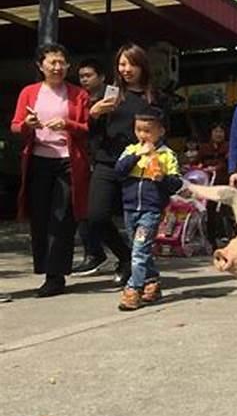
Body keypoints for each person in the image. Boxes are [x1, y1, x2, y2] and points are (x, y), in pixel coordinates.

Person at [10, 43, 90, 297]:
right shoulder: (29, 92)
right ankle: (45, 269)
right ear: (40, 65)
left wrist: (67, 124)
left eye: (61, 63)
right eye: (52, 62)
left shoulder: (78, 94)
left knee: (63, 216)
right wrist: (27, 124)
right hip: (39, 161)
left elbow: (87, 128)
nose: (57, 67)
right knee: (42, 217)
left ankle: (56, 276)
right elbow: (15, 126)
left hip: (68, 162)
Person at [87, 43, 166, 286]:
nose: (126, 69)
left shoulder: (154, 98)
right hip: (107, 162)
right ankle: (125, 257)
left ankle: (141, 270)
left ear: (142, 66)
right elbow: (91, 132)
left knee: (136, 222)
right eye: (122, 64)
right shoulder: (109, 94)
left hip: (138, 168)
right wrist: (94, 114)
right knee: (95, 217)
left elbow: (161, 133)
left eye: (132, 64)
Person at [114, 106, 182, 311]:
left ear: (160, 131)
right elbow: (118, 171)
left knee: (139, 250)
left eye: (148, 131)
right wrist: (136, 156)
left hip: (151, 210)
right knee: (139, 249)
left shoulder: (167, 155)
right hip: (130, 207)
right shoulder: (131, 150)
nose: (143, 135)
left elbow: (176, 183)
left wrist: (163, 179)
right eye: (138, 130)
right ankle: (152, 281)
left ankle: (133, 289)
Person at [72, 58, 109, 276]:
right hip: (84, 158)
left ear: (102, 76)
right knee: (84, 211)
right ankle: (93, 252)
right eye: (81, 76)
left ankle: (120, 255)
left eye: (89, 75)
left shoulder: (110, 97)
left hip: (105, 160)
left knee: (96, 212)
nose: (84, 80)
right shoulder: (80, 98)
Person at [199, 123, 232, 250]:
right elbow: (198, 161)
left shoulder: (228, 147)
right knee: (210, 212)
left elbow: (227, 163)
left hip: (223, 182)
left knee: (226, 211)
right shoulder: (205, 147)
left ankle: (229, 236)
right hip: (208, 184)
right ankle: (211, 240)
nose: (218, 134)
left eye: (221, 131)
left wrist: (217, 168)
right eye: (215, 131)